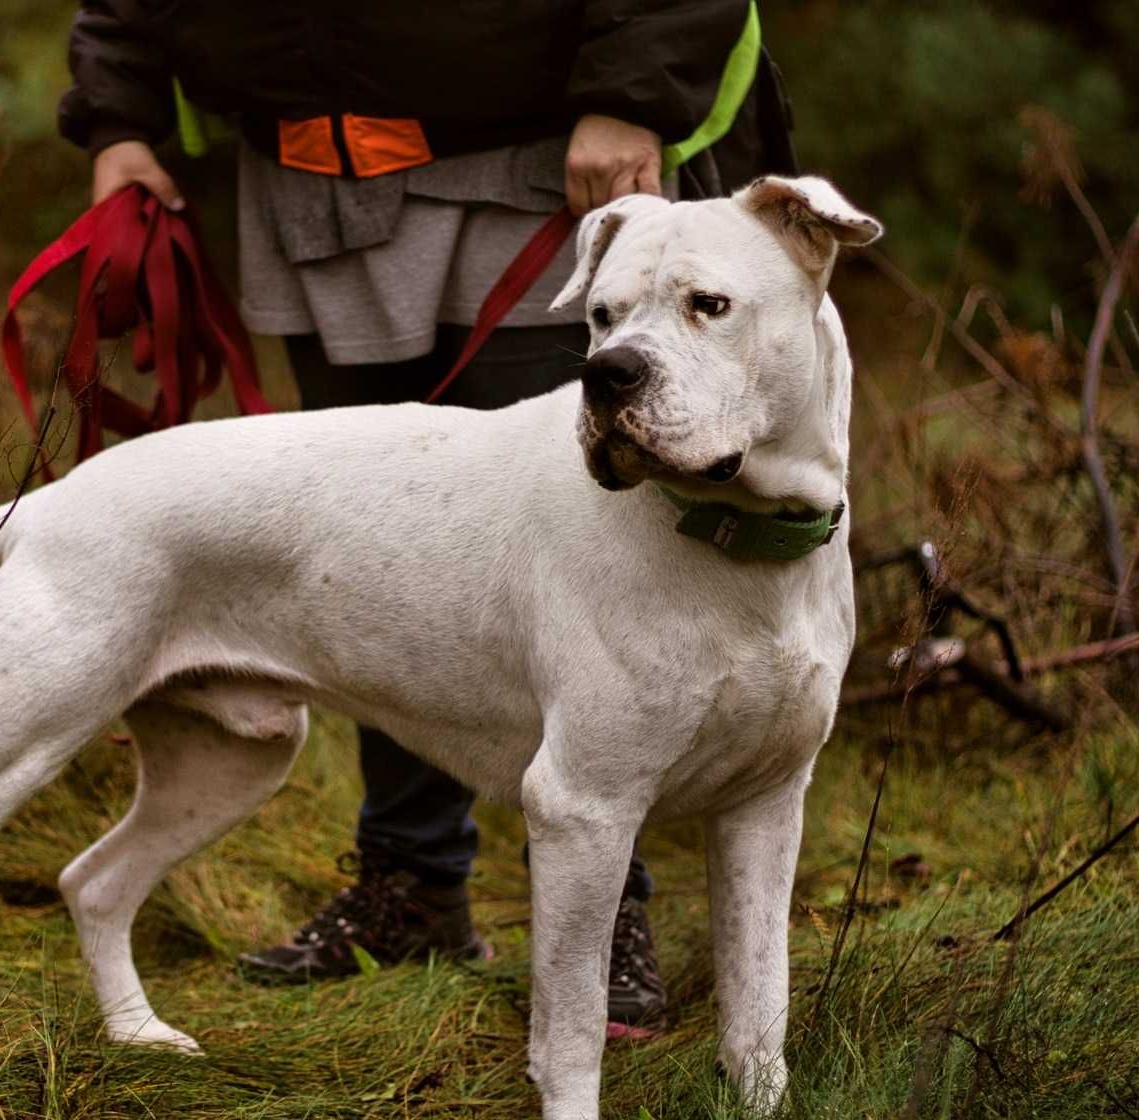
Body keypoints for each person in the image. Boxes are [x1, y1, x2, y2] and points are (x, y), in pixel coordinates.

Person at [58, 0, 798, 1037]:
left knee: (588, 555)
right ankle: (411, 885)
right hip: (308, 189)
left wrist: (629, 94)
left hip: (546, 170)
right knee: (370, 557)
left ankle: (607, 914)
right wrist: (119, 118)